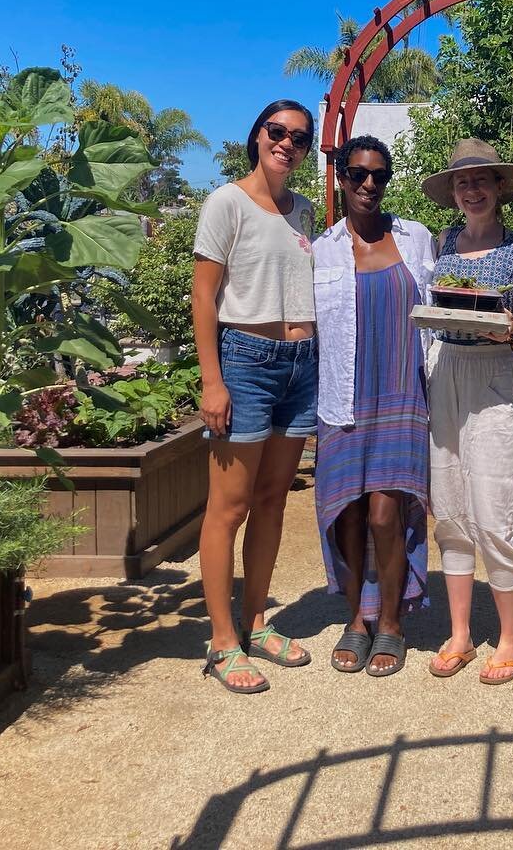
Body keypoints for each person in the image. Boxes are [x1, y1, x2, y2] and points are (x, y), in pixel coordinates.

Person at [192, 100, 318, 694]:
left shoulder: (305, 213)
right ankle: (221, 641)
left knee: (273, 500)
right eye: (277, 131)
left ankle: (257, 622)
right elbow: (204, 298)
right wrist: (212, 380)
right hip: (245, 360)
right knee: (230, 505)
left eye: (299, 137)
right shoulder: (226, 202)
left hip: (302, 365)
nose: (287, 143)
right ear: (257, 135)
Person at [422, 138, 513, 685]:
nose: (471, 190)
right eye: (462, 182)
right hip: (446, 367)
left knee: (496, 508)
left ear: (499, 187)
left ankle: (509, 637)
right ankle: (459, 634)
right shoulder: (442, 243)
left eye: (480, 181)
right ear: (453, 192)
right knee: (450, 507)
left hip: (495, 371)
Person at [312, 135, 434, 677]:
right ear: (340, 177)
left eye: (378, 176)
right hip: (342, 395)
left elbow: (442, 307)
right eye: (357, 174)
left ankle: (390, 622)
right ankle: (354, 621)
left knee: (387, 513)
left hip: (403, 392)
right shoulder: (322, 250)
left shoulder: (416, 239)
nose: (368, 184)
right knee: (349, 512)